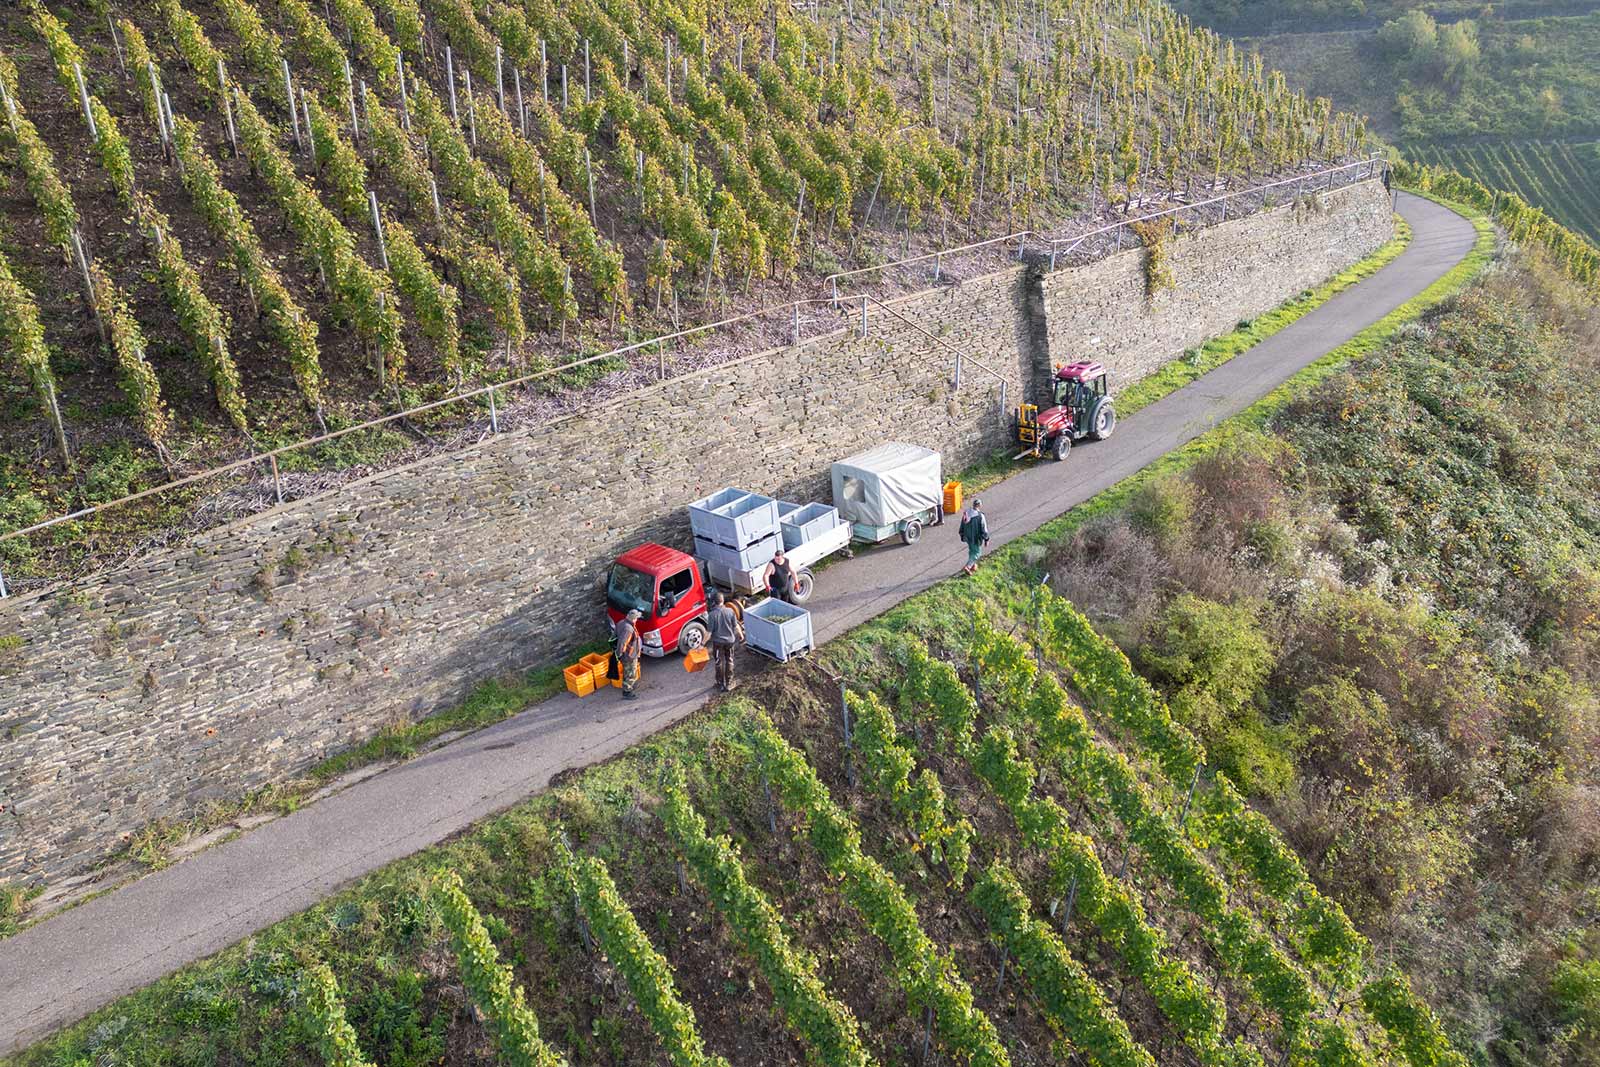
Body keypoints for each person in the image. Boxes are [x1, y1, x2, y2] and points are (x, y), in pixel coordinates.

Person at [706, 590, 744, 692]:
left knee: (719, 662)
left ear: (714, 602)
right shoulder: (730, 611)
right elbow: (736, 626)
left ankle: (720, 684)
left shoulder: (712, 615)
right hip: (730, 642)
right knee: (729, 660)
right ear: (723, 601)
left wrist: (701, 644)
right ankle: (729, 683)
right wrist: (741, 636)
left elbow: (709, 633)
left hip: (718, 643)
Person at [615, 608, 643, 699]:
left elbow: (616, 636)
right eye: (637, 617)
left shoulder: (621, 623)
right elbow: (623, 643)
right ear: (633, 619)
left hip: (628, 654)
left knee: (629, 672)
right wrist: (619, 654)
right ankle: (627, 692)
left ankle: (630, 685)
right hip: (629, 656)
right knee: (630, 673)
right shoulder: (629, 629)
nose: (637, 619)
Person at [958, 498, 990, 575]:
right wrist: (986, 539)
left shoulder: (967, 513)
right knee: (977, 553)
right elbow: (984, 529)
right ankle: (968, 566)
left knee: (972, 551)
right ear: (979, 506)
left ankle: (973, 565)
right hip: (976, 538)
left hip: (967, 537)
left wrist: (962, 534)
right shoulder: (980, 516)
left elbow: (962, 524)